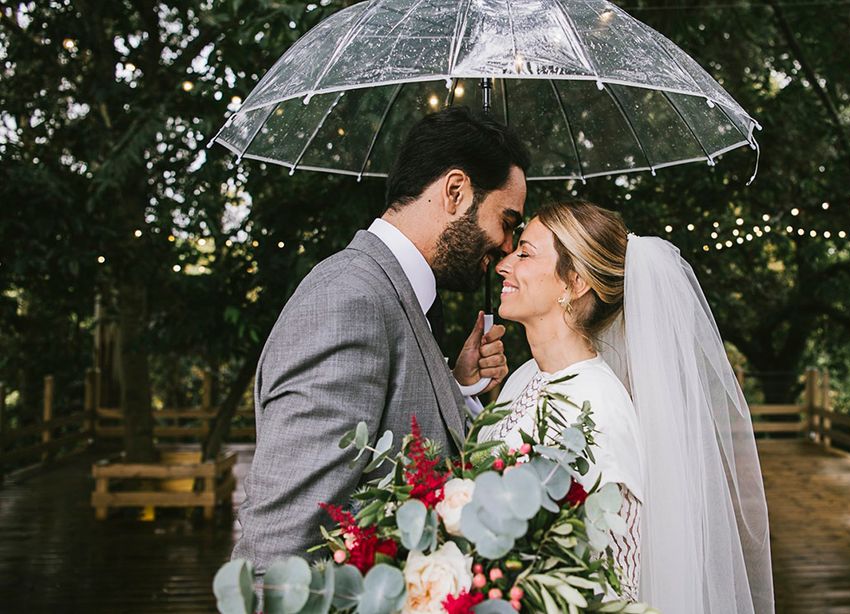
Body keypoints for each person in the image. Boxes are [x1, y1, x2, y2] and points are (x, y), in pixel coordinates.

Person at [233, 107, 530, 575]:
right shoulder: (348, 300)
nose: (508, 247)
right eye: (507, 222)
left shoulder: (394, 293)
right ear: (456, 192)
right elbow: (279, 546)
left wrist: (459, 386)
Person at [483, 200, 774, 613]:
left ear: (575, 282)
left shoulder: (599, 406)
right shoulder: (522, 378)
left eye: (525, 253)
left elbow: (616, 579)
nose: (503, 264)